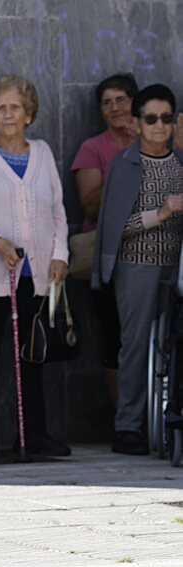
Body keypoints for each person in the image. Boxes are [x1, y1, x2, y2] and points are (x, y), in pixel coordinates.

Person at [0, 75, 71, 459]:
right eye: (1, 107)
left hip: (35, 274)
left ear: (29, 114)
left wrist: (60, 256)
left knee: (33, 356)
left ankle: (35, 433)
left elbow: (58, 212)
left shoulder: (42, 153)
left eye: (15, 107)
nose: (8, 114)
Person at [92, 84, 183, 456]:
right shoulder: (126, 163)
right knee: (135, 346)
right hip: (137, 267)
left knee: (173, 347)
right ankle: (128, 426)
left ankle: (167, 421)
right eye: (151, 119)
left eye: (165, 118)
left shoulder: (180, 162)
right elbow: (115, 227)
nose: (159, 126)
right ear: (137, 122)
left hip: (176, 267)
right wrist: (159, 214)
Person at [71, 73, 139, 406]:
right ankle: (125, 420)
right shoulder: (93, 148)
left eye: (121, 100)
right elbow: (91, 204)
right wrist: (125, 166)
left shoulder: (157, 142)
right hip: (108, 255)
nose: (114, 108)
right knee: (114, 338)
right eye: (107, 102)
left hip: (153, 253)